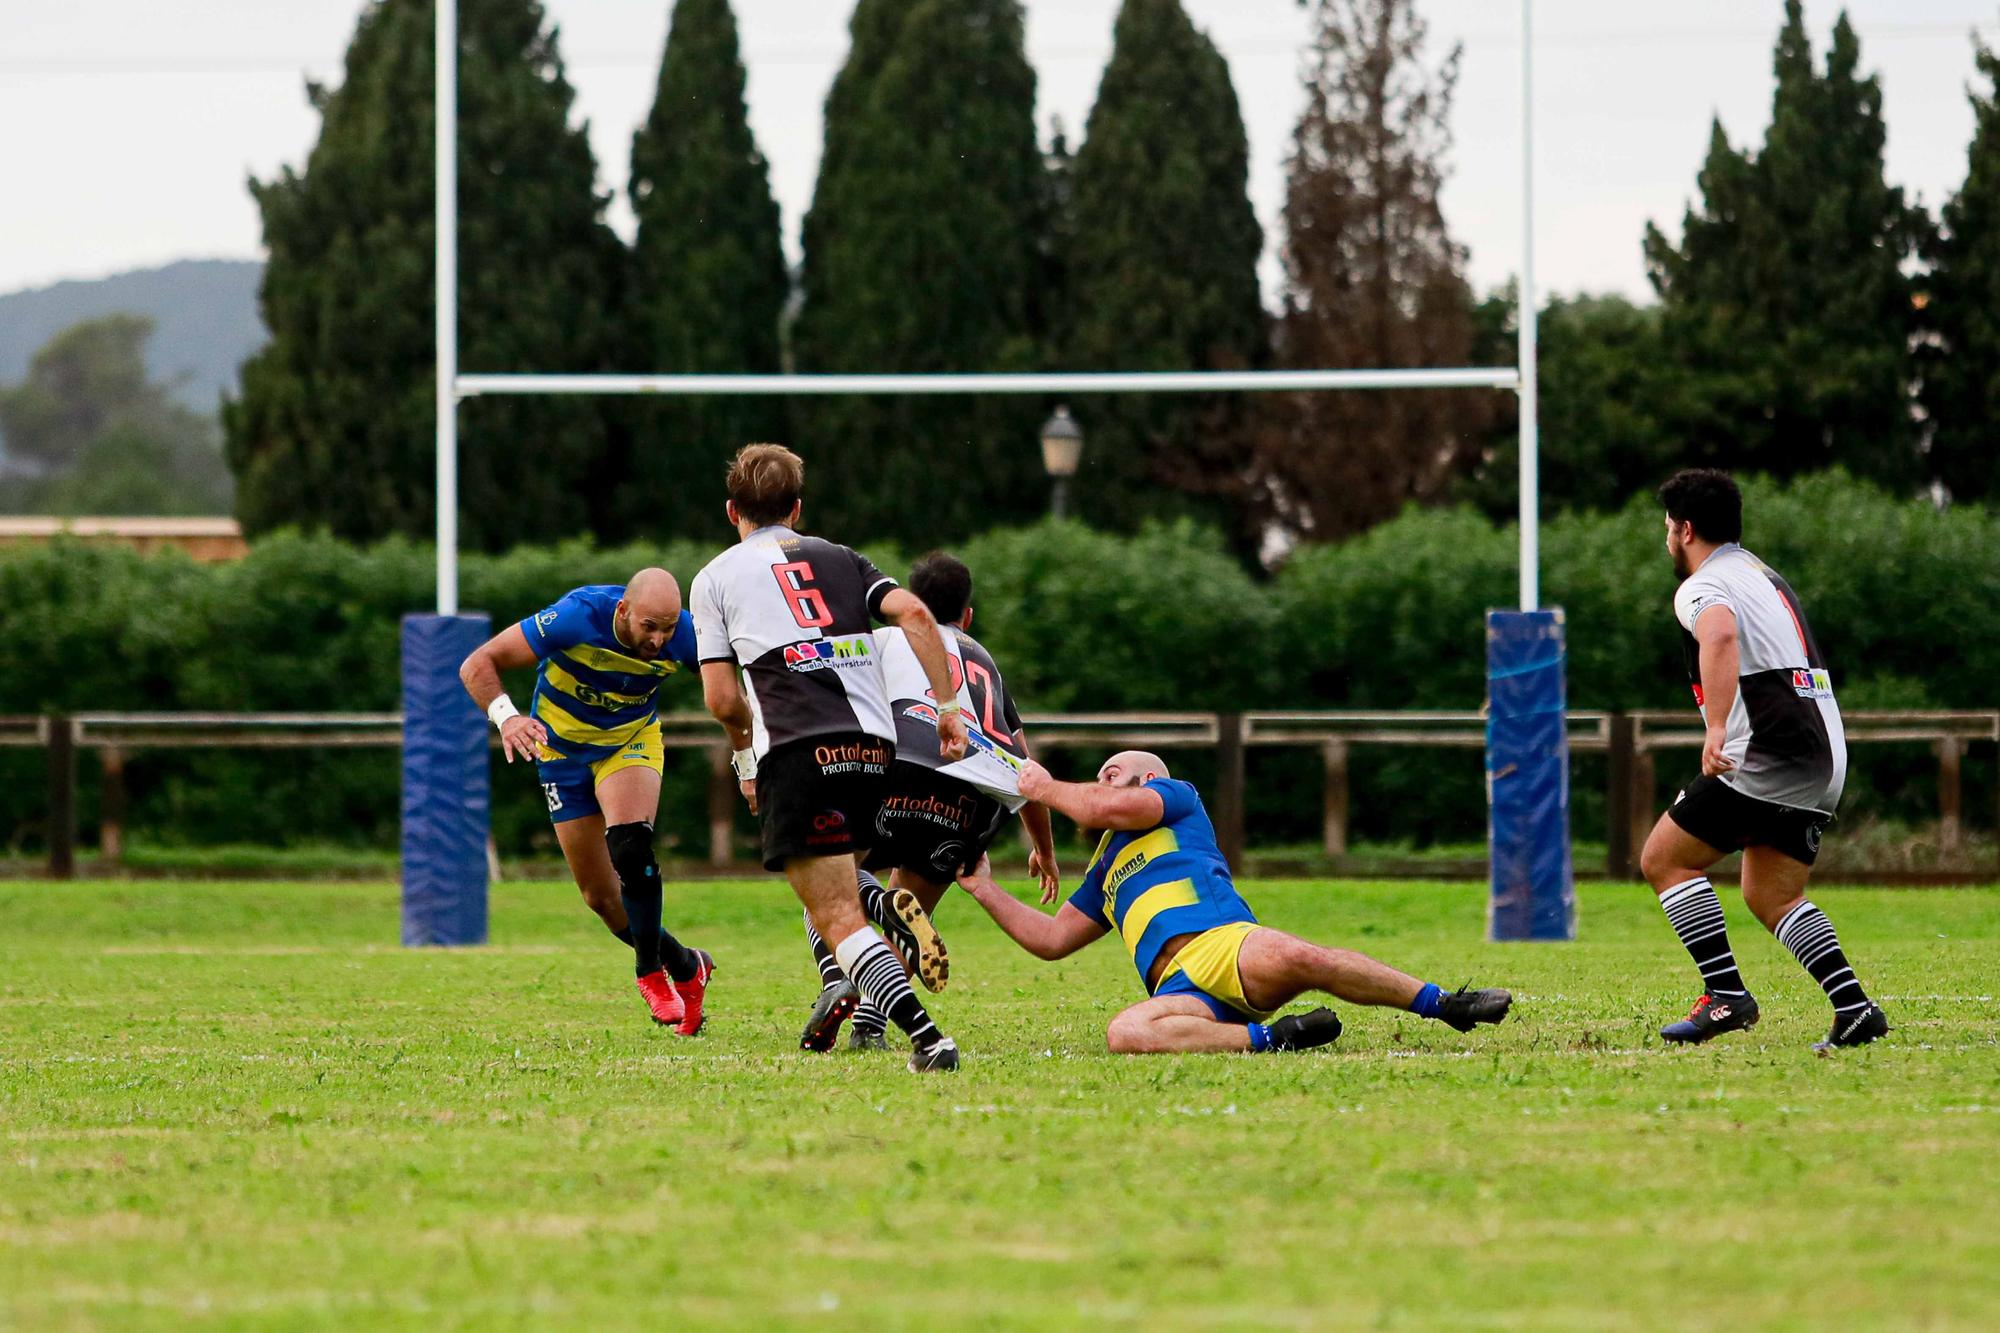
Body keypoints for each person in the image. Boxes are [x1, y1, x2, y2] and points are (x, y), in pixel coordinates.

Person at [689, 443, 967, 1073]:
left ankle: (928, 1039)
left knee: (833, 911)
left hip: (796, 746)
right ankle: (877, 920)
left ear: (732, 511)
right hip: (874, 746)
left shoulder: (714, 578)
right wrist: (947, 708)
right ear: (797, 509)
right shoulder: (846, 559)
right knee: (842, 885)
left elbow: (722, 698)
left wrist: (745, 759)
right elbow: (917, 614)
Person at [955, 750, 1513, 1054]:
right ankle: (1275, 1038)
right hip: (1180, 988)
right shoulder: (1104, 871)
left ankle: (1445, 1005)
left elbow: (1101, 807)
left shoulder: (1174, 798)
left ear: (1149, 779)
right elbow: (1052, 939)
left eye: (1113, 772)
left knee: (1308, 959)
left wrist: (1045, 789)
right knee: (1125, 1033)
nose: (1102, 780)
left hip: (1225, 946)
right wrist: (984, 887)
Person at [1640, 469, 1889, 1052]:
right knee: (1772, 896)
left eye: (1667, 528)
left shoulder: (1703, 586)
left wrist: (1719, 728)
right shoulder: (1761, 573)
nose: (1666, 539)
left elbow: (1719, 636)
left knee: (1664, 861)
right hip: (1823, 755)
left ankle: (1725, 995)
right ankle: (1854, 1008)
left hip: (1768, 752)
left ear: (1685, 529)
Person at [801, 551, 1061, 1053]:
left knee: (822, 876)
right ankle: (869, 1027)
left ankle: (844, 971)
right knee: (914, 904)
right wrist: (1044, 851)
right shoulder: (986, 662)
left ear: (910, 605)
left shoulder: (887, 637)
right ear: (967, 615)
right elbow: (1025, 765)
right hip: (971, 800)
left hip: (901, 764)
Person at [458, 569, 716, 1035]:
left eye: (668, 628)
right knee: (601, 898)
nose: (659, 640)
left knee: (630, 848)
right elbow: (477, 663)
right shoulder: (578, 616)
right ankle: (685, 964)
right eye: (648, 628)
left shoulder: (690, 636)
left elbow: (744, 675)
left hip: (628, 743)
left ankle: (649, 972)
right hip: (558, 753)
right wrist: (508, 719)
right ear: (623, 611)